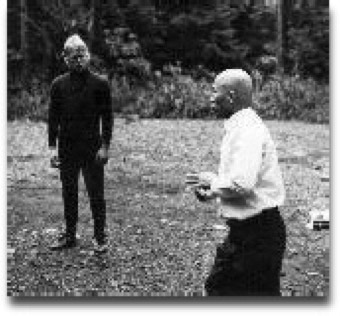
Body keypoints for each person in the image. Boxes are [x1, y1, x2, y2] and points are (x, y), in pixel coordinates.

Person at [186, 69, 286, 296]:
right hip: (249, 232)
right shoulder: (240, 126)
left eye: (214, 91)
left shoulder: (248, 130)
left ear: (230, 97)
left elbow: (241, 184)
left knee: (223, 290)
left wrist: (211, 181)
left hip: (258, 235)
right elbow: (243, 182)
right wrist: (212, 193)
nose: (211, 97)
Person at [48, 34, 113, 253]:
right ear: (65, 58)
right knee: (69, 192)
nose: (79, 60)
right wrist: (51, 149)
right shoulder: (58, 85)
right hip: (67, 148)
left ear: (88, 55)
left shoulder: (100, 84)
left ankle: (100, 236)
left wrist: (105, 147)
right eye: (73, 56)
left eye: (82, 54)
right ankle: (69, 234)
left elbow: (108, 118)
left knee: (96, 194)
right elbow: (53, 118)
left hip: (92, 148)